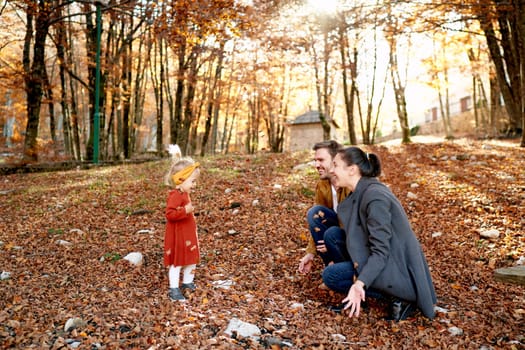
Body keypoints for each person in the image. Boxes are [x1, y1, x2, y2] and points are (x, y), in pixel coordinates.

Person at [322, 146, 437, 321]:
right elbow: (358, 236)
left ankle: (401, 297)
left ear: (352, 170)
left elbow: (382, 251)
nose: (331, 170)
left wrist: (359, 283)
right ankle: (360, 293)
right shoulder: (361, 191)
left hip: (396, 268)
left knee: (332, 276)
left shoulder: (375, 198)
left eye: (336, 165)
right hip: (382, 258)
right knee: (333, 235)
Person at [298, 140, 350, 274]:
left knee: (331, 234)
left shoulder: (350, 185)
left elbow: (356, 225)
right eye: (315, 160)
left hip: (351, 236)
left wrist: (330, 242)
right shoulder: (323, 185)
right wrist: (310, 253)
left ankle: (344, 267)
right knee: (314, 213)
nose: (316, 165)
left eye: (321, 160)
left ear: (335, 161)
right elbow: (316, 220)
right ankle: (330, 264)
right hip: (336, 230)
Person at [164, 145, 201, 302]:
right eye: (192, 181)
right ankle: (174, 289)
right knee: (177, 262)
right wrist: (185, 211)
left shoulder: (184, 193)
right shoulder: (175, 195)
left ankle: (187, 282)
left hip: (187, 234)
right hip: (178, 236)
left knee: (191, 259)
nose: (194, 184)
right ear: (181, 179)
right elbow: (170, 214)